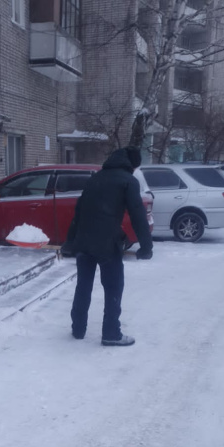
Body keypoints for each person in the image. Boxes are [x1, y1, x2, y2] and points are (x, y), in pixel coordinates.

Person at [66, 146, 153, 347]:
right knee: (113, 286)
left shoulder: (95, 179)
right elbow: (137, 214)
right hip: (107, 243)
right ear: (132, 164)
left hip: (84, 241)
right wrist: (146, 246)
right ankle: (111, 333)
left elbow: (79, 211)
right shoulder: (128, 181)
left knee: (83, 285)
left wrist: (70, 241)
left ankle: (78, 328)